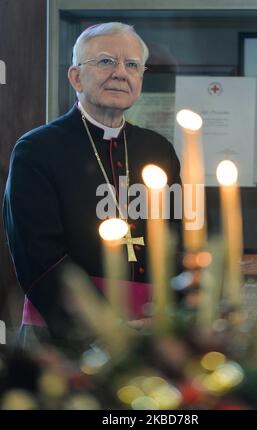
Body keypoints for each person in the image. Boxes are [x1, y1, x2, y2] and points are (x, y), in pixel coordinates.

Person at [3, 22, 181, 356]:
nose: (120, 73)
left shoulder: (158, 150)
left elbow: (176, 237)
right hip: (62, 332)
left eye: (131, 65)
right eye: (105, 62)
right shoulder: (37, 150)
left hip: (149, 330)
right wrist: (104, 324)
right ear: (75, 77)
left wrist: (168, 314)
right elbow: (37, 257)